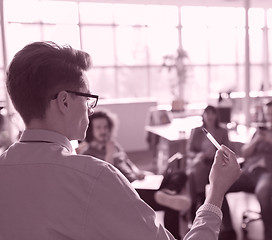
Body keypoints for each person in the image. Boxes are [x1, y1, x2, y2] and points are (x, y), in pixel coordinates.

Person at [0, 41, 241, 240]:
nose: (91, 110)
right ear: (64, 102)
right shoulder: (92, 177)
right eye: (87, 98)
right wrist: (216, 191)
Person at [78, 110, 189, 239]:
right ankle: (166, 195)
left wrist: (139, 172)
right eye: (98, 127)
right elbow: (105, 179)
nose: (103, 131)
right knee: (170, 204)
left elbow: (128, 163)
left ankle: (167, 192)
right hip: (125, 190)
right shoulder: (88, 154)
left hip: (139, 182)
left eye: (106, 127)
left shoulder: (115, 145)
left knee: (179, 174)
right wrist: (109, 154)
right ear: (91, 130)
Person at [220, 99, 272, 240]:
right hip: (249, 172)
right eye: (268, 114)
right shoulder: (259, 132)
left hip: (271, 174)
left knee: (263, 191)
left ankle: (268, 236)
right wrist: (256, 141)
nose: (270, 118)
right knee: (220, 185)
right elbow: (244, 153)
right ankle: (228, 230)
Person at [186, 105, 229, 220]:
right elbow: (189, 151)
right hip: (200, 160)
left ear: (216, 116)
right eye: (207, 113)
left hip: (216, 162)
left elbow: (228, 150)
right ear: (203, 116)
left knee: (195, 173)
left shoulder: (222, 131)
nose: (210, 116)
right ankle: (199, 199)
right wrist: (200, 155)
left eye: (212, 113)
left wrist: (216, 153)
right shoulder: (196, 131)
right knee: (195, 171)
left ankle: (196, 204)